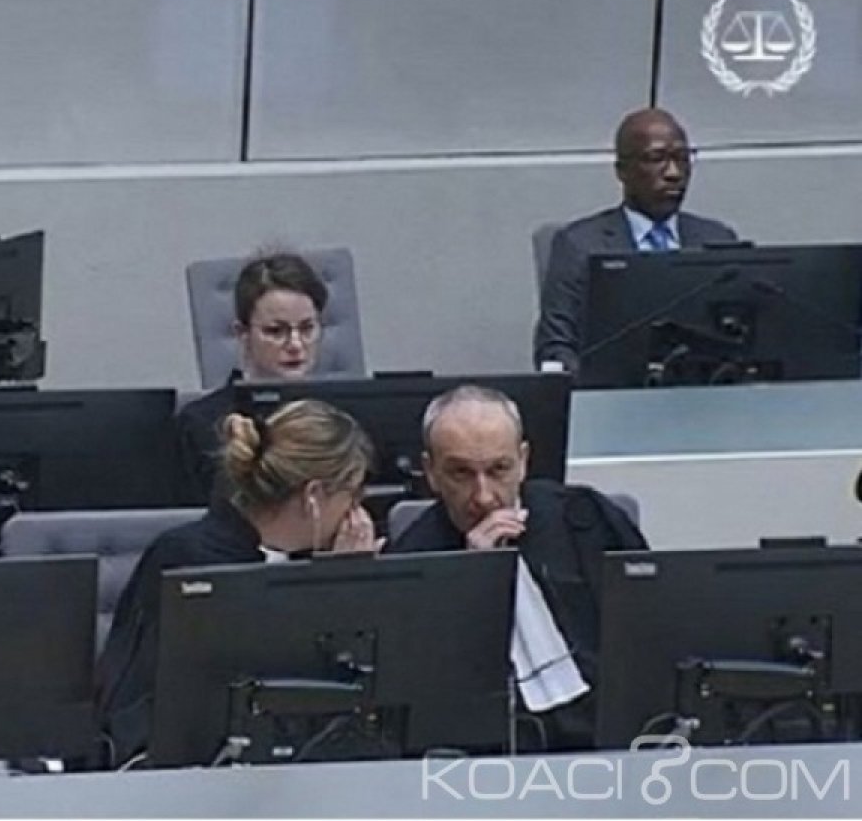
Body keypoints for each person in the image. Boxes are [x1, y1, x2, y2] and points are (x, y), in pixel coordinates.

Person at [98, 398, 380, 763]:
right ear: (313, 496)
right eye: (353, 495)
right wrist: (340, 587)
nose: (357, 513)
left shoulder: (301, 560)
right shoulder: (192, 559)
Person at [384, 385, 647, 750]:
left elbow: (649, 631)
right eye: (461, 473)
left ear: (523, 461)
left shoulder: (586, 518)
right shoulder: (411, 561)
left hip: (612, 732)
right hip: (492, 754)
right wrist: (474, 578)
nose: (484, 496)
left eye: (499, 470)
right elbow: (426, 702)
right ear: (431, 472)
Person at [534, 108, 739, 374]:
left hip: (701, 390)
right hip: (612, 390)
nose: (674, 173)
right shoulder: (579, 245)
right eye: (657, 159)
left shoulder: (717, 239)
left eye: (682, 158)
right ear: (622, 170)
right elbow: (555, 346)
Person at [176, 252, 329, 502]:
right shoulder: (201, 423)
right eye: (275, 331)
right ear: (242, 333)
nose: (295, 344)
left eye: (307, 328)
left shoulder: (341, 417)